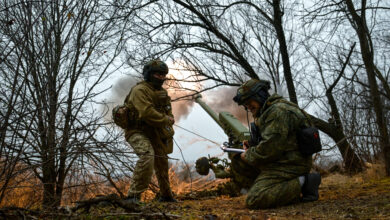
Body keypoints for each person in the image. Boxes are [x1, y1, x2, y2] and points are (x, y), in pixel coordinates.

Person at [232, 79, 321, 209]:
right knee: (238, 162)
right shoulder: (270, 110)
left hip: (291, 164)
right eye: (245, 104)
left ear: (260, 96)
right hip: (283, 160)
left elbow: (270, 149)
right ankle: (274, 188)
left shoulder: (277, 111)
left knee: (254, 199)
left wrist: (249, 154)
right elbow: (273, 142)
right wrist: (251, 147)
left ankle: (305, 182)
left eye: (249, 102)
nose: (247, 107)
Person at [123, 59, 176, 203]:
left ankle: (166, 196)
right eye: (157, 74)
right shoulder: (139, 90)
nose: (161, 77)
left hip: (155, 132)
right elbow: (146, 112)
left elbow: (168, 112)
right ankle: (132, 197)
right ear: (149, 74)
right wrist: (166, 120)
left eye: (163, 74)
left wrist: (169, 119)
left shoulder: (162, 92)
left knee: (162, 161)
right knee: (147, 155)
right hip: (136, 131)